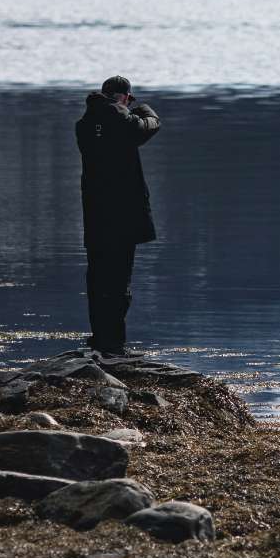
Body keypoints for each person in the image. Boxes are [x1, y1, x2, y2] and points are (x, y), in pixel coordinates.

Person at [73, 76, 162, 357]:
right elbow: (148, 126)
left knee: (98, 279)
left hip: (95, 217)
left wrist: (125, 109)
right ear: (124, 97)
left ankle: (100, 338)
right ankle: (114, 345)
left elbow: (119, 128)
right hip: (122, 217)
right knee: (119, 280)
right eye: (128, 99)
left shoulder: (84, 125)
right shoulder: (122, 121)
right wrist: (144, 109)